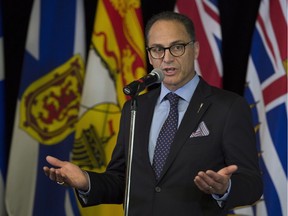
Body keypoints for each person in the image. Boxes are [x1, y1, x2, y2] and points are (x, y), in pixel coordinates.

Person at [43, 11, 263, 215]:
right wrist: (86, 181)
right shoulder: (135, 107)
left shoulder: (228, 107)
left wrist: (225, 187)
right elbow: (122, 181)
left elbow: (253, 184)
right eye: (157, 49)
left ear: (195, 49)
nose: (167, 58)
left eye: (177, 47)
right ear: (149, 56)